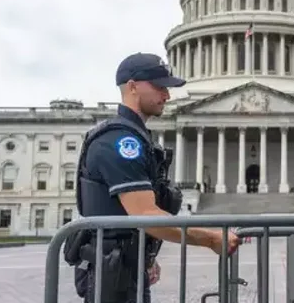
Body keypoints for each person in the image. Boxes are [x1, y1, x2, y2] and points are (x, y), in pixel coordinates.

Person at [64, 52, 241, 303]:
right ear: (133, 87)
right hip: (112, 270)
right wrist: (211, 238)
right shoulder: (121, 141)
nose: (167, 96)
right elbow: (145, 215)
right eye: (159, 87)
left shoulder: (136, 137)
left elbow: (126, 215)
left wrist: (146, 256)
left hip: (126, 265)